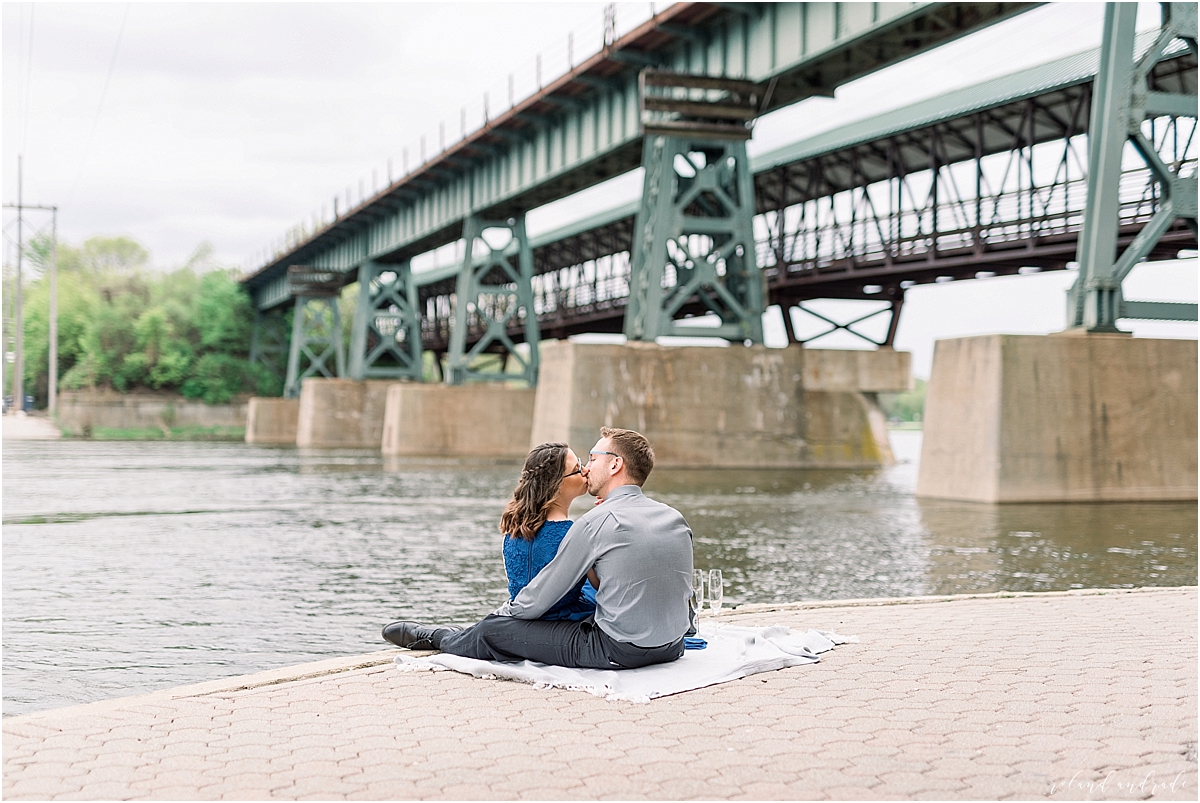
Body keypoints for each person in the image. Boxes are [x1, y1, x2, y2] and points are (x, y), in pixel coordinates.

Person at [381, 427, 694, 670]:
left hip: (619, 651)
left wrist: (495, 620)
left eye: (593, 458)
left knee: (495, 631)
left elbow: (535, 601)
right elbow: (682, 595)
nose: (588, 468)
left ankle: (440, 637)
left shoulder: (595, 521)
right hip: (673, 646)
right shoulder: (673, 517)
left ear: (615, 465)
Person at [498, 442, 596, 621]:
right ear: (557, 484)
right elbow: (599, 583)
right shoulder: (572, 532)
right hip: (562, 618)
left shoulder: (515, 527)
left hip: (519, 614)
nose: (585, 471)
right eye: (577, 468)